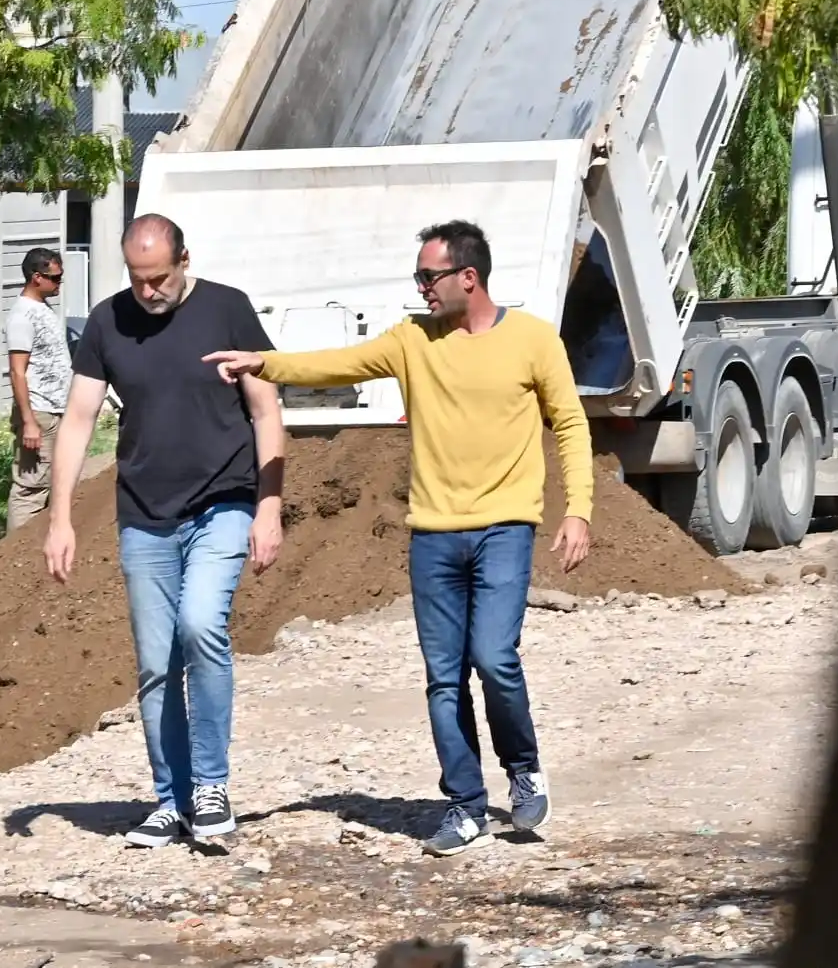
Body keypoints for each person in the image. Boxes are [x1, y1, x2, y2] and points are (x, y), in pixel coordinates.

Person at [203, 219, 593, 857]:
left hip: (504, 528)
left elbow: (571, 426)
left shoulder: (532, 341)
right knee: (443, 678)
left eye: (429, 277)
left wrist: (577, 511)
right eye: (419, 277)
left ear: (469, 277)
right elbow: (336, 366)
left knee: (494, 659)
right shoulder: (412, 339)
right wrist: (263, 362)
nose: (422, 289)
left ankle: (522, 766)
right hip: (433, 535)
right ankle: (465, 804)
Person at [44, 213, 285, 849]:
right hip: (145, 515)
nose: (148, 291)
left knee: (201, 624)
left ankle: (210, 785)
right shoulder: (106, 321)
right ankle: (170, 799)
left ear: (184, 260)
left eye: (159, 277)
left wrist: (270, 505)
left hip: (223, 502)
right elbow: (77, 420)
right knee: (156, 662)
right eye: (137, 278)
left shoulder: (227, 309)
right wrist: (60, 515)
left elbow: (266, 411)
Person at [4, 247, 73, 531]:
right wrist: (29, 421)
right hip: (39, 411)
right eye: (55, 278)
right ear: (36, 277)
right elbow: (17, 371)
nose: (59, 283)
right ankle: (13, 558)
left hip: (55, 408)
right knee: (30, 488)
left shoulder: (42, 308)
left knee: (54, 481)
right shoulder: (22, 316)